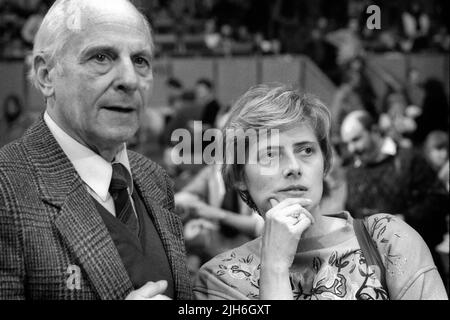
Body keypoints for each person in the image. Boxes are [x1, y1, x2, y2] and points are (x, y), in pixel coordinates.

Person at [0, 0, 191, 300]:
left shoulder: (156, 180)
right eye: (101, 57)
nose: (130, 80)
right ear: (46, 75)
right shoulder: (6, 192)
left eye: (140, 60)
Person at [193, 84, 447, 300]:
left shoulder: (388, 240)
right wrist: (274, 267)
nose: (294, 167)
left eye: (306, 150)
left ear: (324, 162)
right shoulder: (221, 278)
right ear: (239, 176)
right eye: (270, 155)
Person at [340, 110, 448, 280]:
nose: (352, 149)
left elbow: (439, 199)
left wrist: (404, 219)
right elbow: (352, 210)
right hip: (379, 270)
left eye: (356, 139)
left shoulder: (408, 158)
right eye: (347, 143)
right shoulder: (353, 172)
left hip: (419, 262)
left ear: (374, 131)